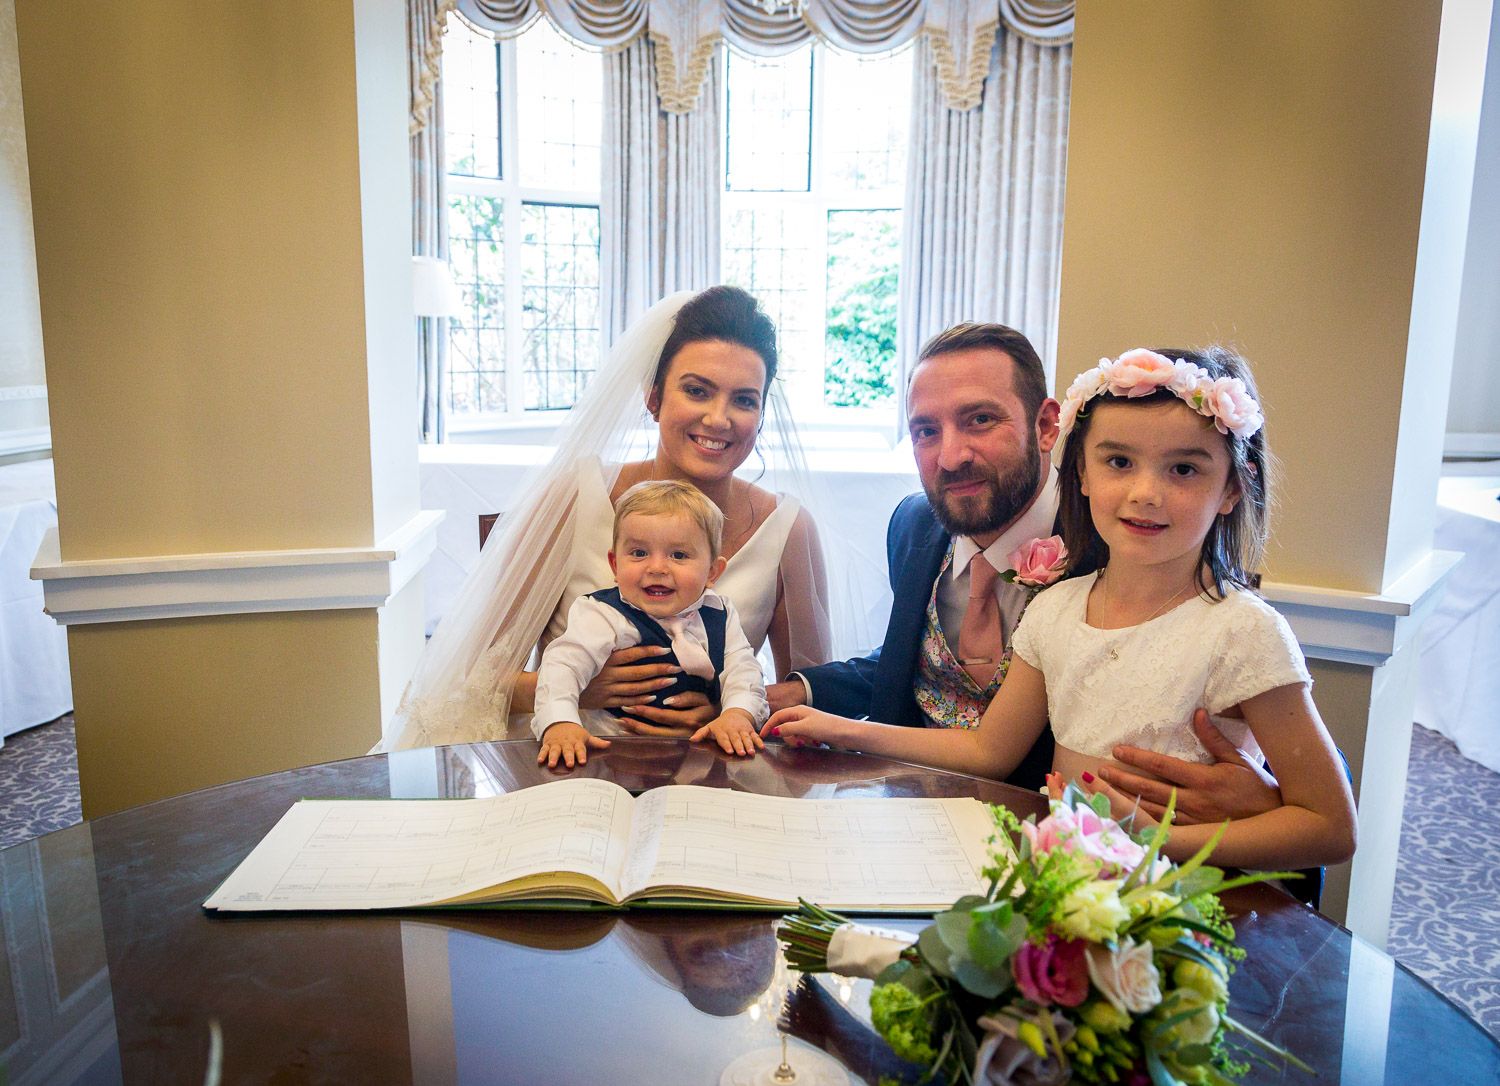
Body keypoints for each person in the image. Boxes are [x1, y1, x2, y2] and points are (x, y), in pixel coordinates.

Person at [766, 347, 1358, 869]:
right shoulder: (1057, 607)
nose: (1145, 493)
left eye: (1183, 469)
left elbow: (1330, 822)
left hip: (1177, 883)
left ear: (1231, 487)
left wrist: (1165, 840)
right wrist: (835, 726)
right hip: (1048, 868)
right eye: (1119, 462)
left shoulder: (1240, 629)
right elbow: (987, 748)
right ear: (1083, 473)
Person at [387, 287, 832, 751]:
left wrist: (728, 708)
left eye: (744, 400)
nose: (718, 419)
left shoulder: (787, 530)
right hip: (571, 766)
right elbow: (471, 680)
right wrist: (580, 690)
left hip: (711, 776)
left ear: (761, 416)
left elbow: (812, 703)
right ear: (654, 398)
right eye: (697, 391)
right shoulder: (574, 501)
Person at [534, 480, 768, 768]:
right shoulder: (603, 613)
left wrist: (738, 713)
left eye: (678, 555)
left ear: (712, 572)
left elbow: (743, 669)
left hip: (697, 761)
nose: (656, 568)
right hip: (608, 757)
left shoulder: (720, 614)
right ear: (615, 564)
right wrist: (560, 722)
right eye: (639, 553)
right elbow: (563, 666)